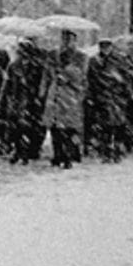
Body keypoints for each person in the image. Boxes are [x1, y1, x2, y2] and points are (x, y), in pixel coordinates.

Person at [42, 29, 87, 169]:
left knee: (69, 129)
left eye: (69, 39)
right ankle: (57, 154)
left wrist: (67, 76)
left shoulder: (80, 56)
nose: (66, 41)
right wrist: (43, 89)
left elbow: (82, 77)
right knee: (55, 128)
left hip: (70, 96)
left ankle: (69, 155)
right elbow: (46, 74)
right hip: (55, 95)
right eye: (64, 38)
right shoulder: (53, 55)